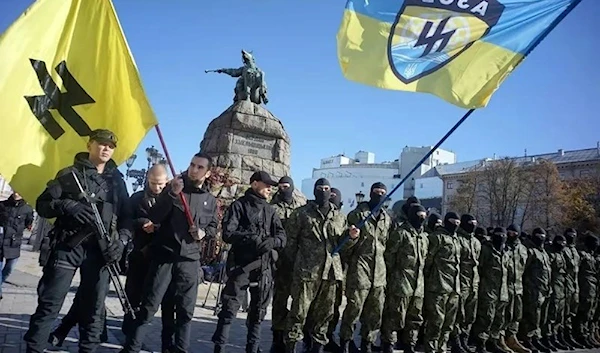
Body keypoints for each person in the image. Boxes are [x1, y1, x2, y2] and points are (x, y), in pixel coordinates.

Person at [24, 129, 132, 353]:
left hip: (101, 252)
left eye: (110, 146)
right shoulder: (68, 175)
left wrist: (121, 242)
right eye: (101, 144)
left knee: (93, 310)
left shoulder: (117, 183)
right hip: (68, 247)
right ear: (89, 144)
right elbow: (42, 205)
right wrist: (66, 205)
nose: (106, 149)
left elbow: (128, 218)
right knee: (49, 304)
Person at [120, 152, 218, 353]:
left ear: (208, 173)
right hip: (164, 257)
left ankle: (180, 349)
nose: (194, 169)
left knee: (185, 312)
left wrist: (203, 233)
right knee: (148, 307)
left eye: (200, 167)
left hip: (190, 261)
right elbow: (154, 216)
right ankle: (131, 348)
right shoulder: (174, 189)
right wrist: (172, 195)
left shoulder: (210, 200)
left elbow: (213, 227)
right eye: (192, 164)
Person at [212, 171, 286, 353]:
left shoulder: (270, 210)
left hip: (264, 267)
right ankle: (219, 348)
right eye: (266, 184)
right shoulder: (239, 206)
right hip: (241, 266)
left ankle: (252, 349)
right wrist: (252, 239)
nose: (270, 188)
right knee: (229, 311)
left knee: (258, 313)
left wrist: (273, 242)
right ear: (254, 184)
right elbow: (228, 233)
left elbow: (282, 236)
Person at [284, 178, 360, 353]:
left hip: (331, 274)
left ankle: (317, 348)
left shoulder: (340, 217)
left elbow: (342, 244)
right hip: (306, 272)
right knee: (299, 313)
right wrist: (298, 262)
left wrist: (352, 237)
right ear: (314, 190)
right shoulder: (301, 213)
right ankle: (292, 347)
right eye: (320, 188)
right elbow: (290, 243)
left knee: (325, 316)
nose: (323, 191)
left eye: (326, 188)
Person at [122, 164, 178, 351]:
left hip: (162, 256)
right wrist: (141, 222)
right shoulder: (137, 198)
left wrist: (158, 228)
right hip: (140, 255)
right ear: (148, 179)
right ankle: (130, 335)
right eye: (153, 183)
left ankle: (166, 342)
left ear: (167, 181)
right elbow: (125, 220)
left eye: (161, 184)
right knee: (134, 297)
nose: (157, 188)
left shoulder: (173, 198)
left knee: (164, 301)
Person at [339, 182, 392, 353]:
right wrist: (351, 237)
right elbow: (344, 245)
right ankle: (345, 342)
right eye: (376, 192)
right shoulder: (357, 215)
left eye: (383, 193)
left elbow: (386, 244)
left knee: (375, 311)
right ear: (370, 193)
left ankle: (367, 343)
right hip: (360, 268)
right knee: (354, 308)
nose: (379, 195)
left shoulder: (386, 218)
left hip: (379, 271)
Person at [380, 204, 429, 353]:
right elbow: (389, 257)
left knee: (414, 319)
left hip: (418, 286)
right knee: (394, 316)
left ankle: (410, 345)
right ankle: (388, 344)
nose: (421, 219)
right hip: (400, 282)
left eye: (423, 216)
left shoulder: (424, 237)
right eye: (418, 216)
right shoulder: (400, 234)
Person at [270, 176, 305, 352]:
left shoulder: (300, 209)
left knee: (299, 302)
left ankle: (293, 336)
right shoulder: (272, 208)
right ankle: (277, 338)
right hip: (280, 261)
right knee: (280, 300)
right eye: (281, 187)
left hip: (299, 261)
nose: (284, 189)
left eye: (287, 186)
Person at [423, 212, 461, 353]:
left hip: (453, 287)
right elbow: (428, 262)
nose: (456, 225)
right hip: (437, 286)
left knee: (448, 323)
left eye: (458, 223)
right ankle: (431, 349)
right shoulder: (436, 238)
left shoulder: (456, 239)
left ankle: (442, 348)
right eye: (453, 222)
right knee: (436, 321)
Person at [471, 227, 510, 353]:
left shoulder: (506, 251)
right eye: (498, 235)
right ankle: (481, 343)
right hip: (488, 289)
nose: (501, 237)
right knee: (486, 317)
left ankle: (493, 341)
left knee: (499, 319)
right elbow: (479, 268)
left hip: (502, 291)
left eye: (503, 235)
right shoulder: (486, 250)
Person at [452, 214, 481, 353]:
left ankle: (465, 340)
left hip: (473, 283)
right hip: (461, 282)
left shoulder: (476, 242)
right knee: (459, 314)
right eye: (470, 222)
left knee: (470, 315)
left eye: (475, 222)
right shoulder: (458, 239)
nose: (473, 225)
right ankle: (456, 342)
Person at [0, 192, 34, 299]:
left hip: (14, 243)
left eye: (19, 191)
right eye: (14, 190)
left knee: (9, 268)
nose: (16, 193)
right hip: (0, 241)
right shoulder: (2, 205)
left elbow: (28, 223)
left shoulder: (27, 209)